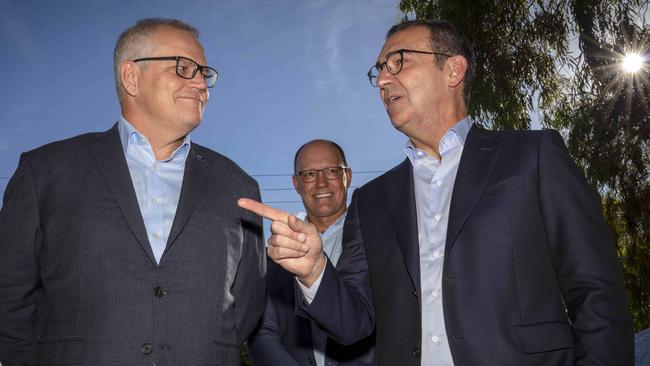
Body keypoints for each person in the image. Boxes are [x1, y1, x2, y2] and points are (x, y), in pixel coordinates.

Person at [238, 19, 634, 365]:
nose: (382, 80)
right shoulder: (372, 200)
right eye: (378, 70)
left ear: (453, 70)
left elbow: (595, 289)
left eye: (398, 61)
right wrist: (315, 271)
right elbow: (354, 325)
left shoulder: (532, 155)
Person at [0, 18, 265, 366]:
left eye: (204, 73)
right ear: (131, 77)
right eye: (184, 67)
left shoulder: (239, 186)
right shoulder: (45, 171)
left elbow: (247, 306)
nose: (201, 83)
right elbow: (9, 295)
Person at [247, 140, 374, 366]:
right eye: (309, 174)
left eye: (332, 171)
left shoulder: (378, 238)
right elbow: (262, 332)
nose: (321, 183)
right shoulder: (277, 254)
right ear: (296, 184)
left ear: (348, 176)